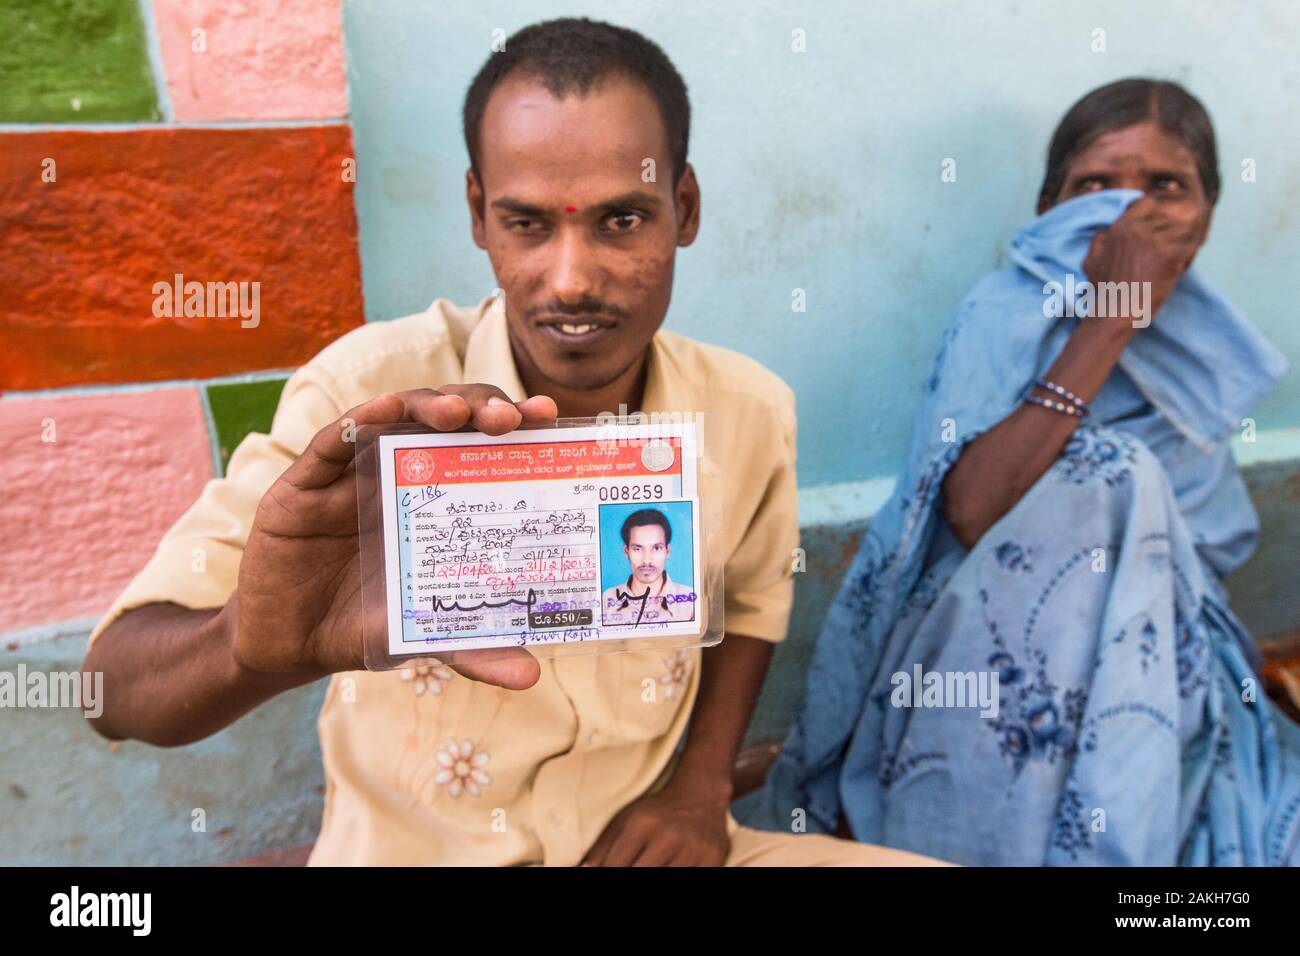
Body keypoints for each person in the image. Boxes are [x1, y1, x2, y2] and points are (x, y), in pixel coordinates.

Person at [82, 17, 938, 868]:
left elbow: (752, 601)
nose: (571, 278)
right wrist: (244, 645)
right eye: (528, 223)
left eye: (622, 220)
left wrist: (700, 789)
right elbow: (112, 693)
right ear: (478, 217)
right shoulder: (364, 404)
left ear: (684, 209)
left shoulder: (748, 412)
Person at [739, 78, 1300, 866]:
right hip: (989, 654)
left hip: (1149, 665)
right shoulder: (1004, 311)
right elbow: (969, 511)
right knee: (1111, 469)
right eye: (1093, 186)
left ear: (1206, 214)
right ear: (1050, 209)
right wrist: (1109, 322)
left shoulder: (1207, 350)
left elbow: (1194, 564)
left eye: (1165, 186)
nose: (1126, 210)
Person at [601, 508, 697, 626]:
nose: (646, 560)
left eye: (656, 548)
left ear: (667, 551)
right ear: (626, 551)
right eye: (637, 548)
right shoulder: (607, 600)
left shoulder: (691, 602)